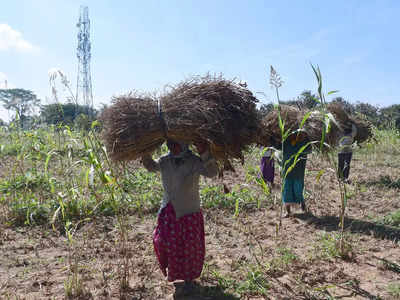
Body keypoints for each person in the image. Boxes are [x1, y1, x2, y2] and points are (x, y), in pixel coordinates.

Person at [141, 139, 218, 294]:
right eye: (170, 145)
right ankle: (176, 274)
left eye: (175, 144)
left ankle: (188, 280)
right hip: (169, 210)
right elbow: (151, 166)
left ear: (183, 144)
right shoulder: (165, 160)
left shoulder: (194, 161)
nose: (172, 147)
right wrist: (145, 151)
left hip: (189, 211)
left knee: (190, 248)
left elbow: (212, 173)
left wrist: (205, 153)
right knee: (164, 242)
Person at [282, 132, 310, 217]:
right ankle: (288, 211)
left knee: (298, 191)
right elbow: (278, 146)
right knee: (287, 191)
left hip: (299, 172)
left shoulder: (304, 142)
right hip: (287, 171)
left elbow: (309, 148)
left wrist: (305, 137)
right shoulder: (286, 142)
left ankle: (303, 207)